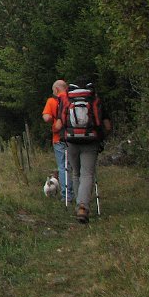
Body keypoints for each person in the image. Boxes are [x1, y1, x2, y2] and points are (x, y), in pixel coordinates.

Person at [64, 77, 107, 224]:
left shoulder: (67, 100)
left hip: (71, 140)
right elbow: (106, 124)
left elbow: (58, 124)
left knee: (76, 173)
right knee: (87, 173)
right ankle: (83, 206)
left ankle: (79, 207)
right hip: (91, 140)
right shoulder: (95, 100)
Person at [42, 79, 73, 203]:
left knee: (63, 167)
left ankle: (67, 196)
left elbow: (47, 117)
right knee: (74, 166)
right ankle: (80, 194)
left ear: (56, 90)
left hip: (59, 138)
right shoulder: (73, 99)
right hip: (75, 137)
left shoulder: (52, 101)